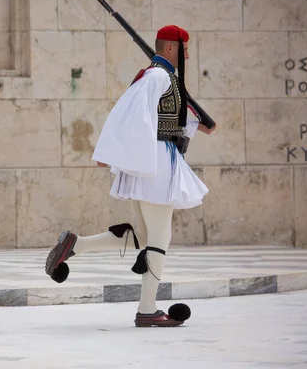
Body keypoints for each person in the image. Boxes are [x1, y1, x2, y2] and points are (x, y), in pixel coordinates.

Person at [44, 25, 216, 327]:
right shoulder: (158, 76)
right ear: (171, 48)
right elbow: (133, 115)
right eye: (184, 48)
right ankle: (148, 309)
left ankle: (76, 245)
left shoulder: (161, 77)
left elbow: (164, 122)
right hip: (157, 166)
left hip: (157, 161)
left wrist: (192, 126)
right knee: (161, 236)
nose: (188, 54)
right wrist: (113, 154)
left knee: (145, 235)